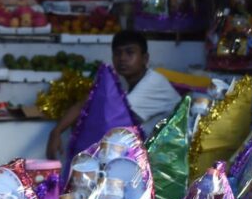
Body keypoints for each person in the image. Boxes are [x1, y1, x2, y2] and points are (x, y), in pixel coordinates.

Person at [46, 30, 182, 160]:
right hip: (146, 152)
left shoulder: (154, 82)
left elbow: (113, 120)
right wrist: (56, 131)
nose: (122, 58)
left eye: (130, 53)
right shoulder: (120, 79)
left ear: (145, 58)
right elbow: (86, 103)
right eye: (117, 53)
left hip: (171, 154)